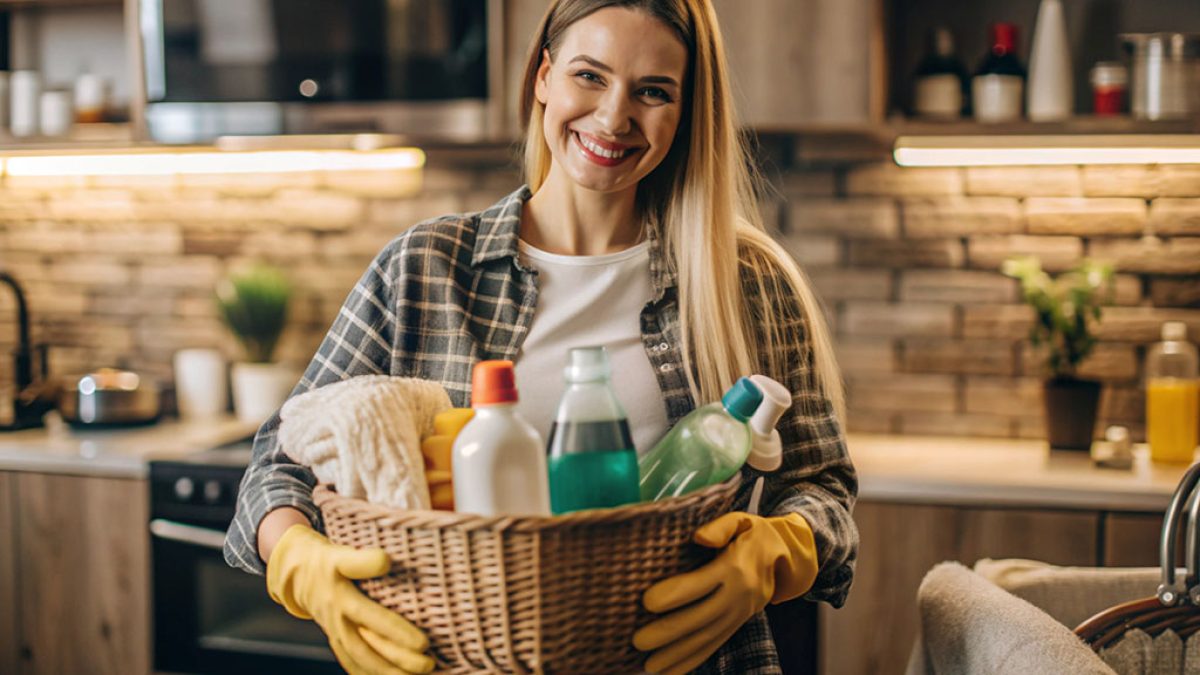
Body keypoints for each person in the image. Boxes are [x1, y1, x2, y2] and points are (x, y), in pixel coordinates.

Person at [223, 1, 858, 673]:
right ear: (543, 78)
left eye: (653, 91)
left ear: (686, 111)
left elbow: (825, 489)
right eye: (590, 76)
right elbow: (277, 464)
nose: (614, 117)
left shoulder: (746, 284)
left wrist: (776, 553)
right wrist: (300, 561)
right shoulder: (424, 267)